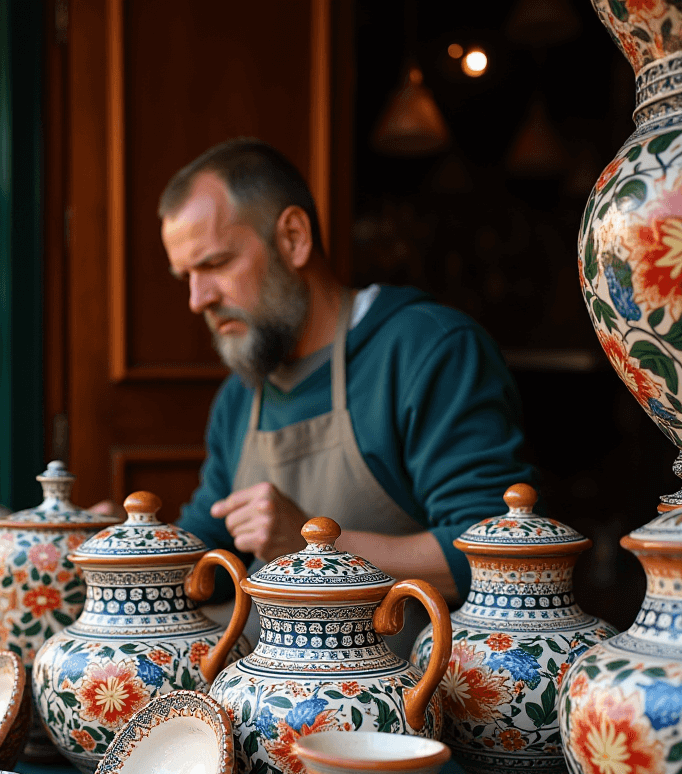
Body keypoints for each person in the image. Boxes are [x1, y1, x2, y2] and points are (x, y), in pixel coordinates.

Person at [153, 138, 535, 642]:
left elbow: (497, 559)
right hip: (268, 697)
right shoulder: (240, 396)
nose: (197, 299)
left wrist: (312, 543)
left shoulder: (427, 350)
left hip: (407, 701)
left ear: (293, 238)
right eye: (186, 276)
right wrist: (134, 542)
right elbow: (205, 545)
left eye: (215, 264)